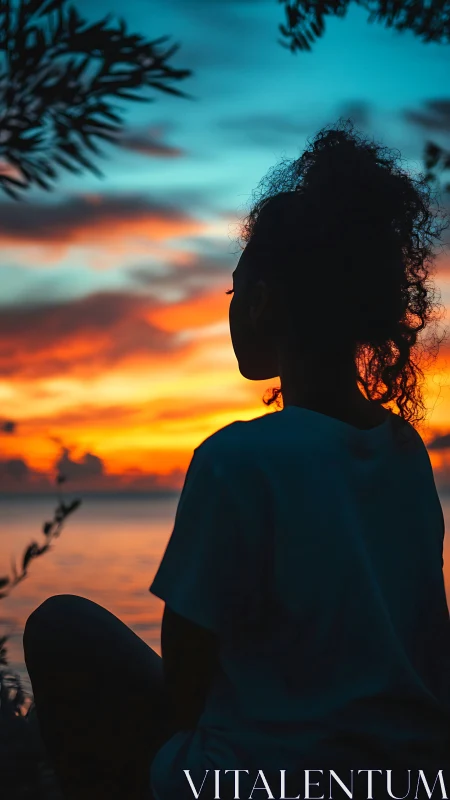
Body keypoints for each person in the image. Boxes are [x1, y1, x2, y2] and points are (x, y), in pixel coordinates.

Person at [23, 119, 450, 800]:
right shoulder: (404, 453)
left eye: (231, 292)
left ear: (262, 303)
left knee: (58, 625)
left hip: (254, 780)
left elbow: (187, 681)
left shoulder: (237, 460)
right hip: (397, 776)